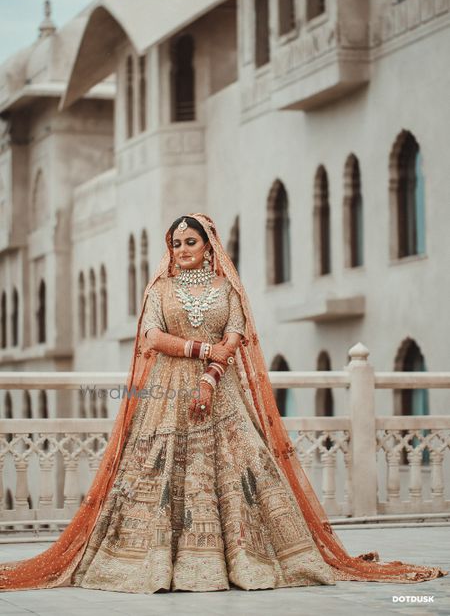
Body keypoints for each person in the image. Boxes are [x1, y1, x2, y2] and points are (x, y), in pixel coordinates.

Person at [0, 213, 446, 592]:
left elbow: (233, 338)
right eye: (175, 243)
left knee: (244, 464)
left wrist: (211, 378)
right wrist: (199, 352)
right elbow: (152, 337)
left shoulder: (227, 289)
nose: (182, 249)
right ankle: (156, 563)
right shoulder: (159, 289)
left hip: (220, 390)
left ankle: (245, 560)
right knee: (158, 468)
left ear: (208, 244)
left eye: (190, 241)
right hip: (168, 392)